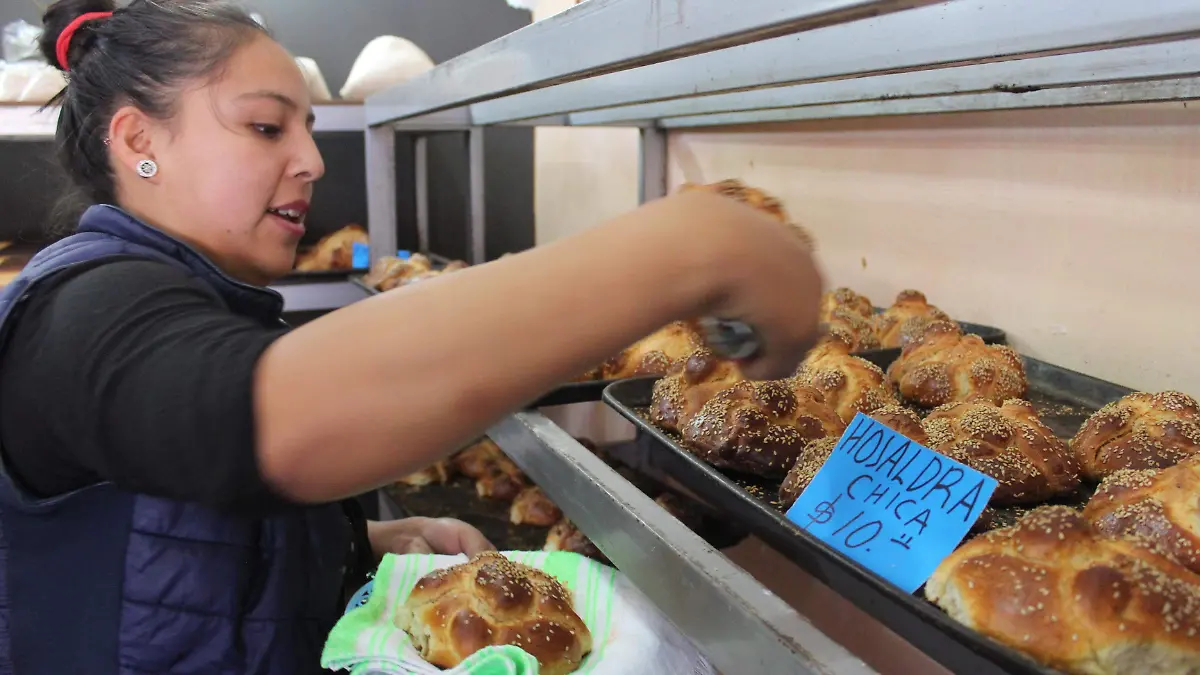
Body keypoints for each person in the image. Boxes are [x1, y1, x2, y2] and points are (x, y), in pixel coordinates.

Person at [0, 0, 823, 673]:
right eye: (265, 128)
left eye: (308, 130)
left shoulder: (195, 300)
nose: (312, 161)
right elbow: (271, 422)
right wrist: (690, 246)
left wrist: (355, 544)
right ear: (139, 139)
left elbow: (185, 520)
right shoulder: (82, 307)